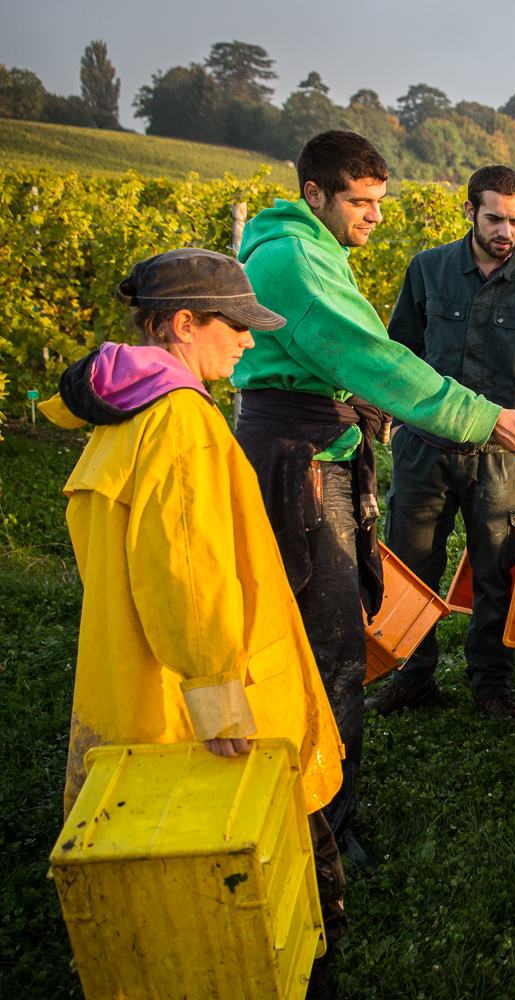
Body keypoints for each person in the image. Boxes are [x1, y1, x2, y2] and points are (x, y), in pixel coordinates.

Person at [232, 133, 515, 865]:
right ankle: (323, 837)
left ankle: (321, 809)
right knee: (334, 645)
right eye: (362, 201)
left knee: (342, 622)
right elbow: (377, 356)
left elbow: (354, 363)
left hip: (325, 445)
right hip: (302, 459)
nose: (376, 216)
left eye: (380, 201)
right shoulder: (293, 259)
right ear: (315, 194)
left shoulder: (314, 252)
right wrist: (485, 416)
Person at [41, 249, 348, 999]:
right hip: (198, 706)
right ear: (183, 324)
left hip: (132, 683)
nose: (248, 341)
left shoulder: (124, 412)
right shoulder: (182, 420)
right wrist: (217, 697)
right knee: (264, 876)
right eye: (236, 325)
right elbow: (186, 572)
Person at [363, 165, 515, 723]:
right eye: (495, 217)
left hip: (501, 461)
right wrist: (381, 418)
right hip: (426, 448)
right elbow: (401, 352)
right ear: (469, 211)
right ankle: (412, 677)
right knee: (413, 566)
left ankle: (491, 687)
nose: (506, 231)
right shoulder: (429, 270)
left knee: (496, 573)